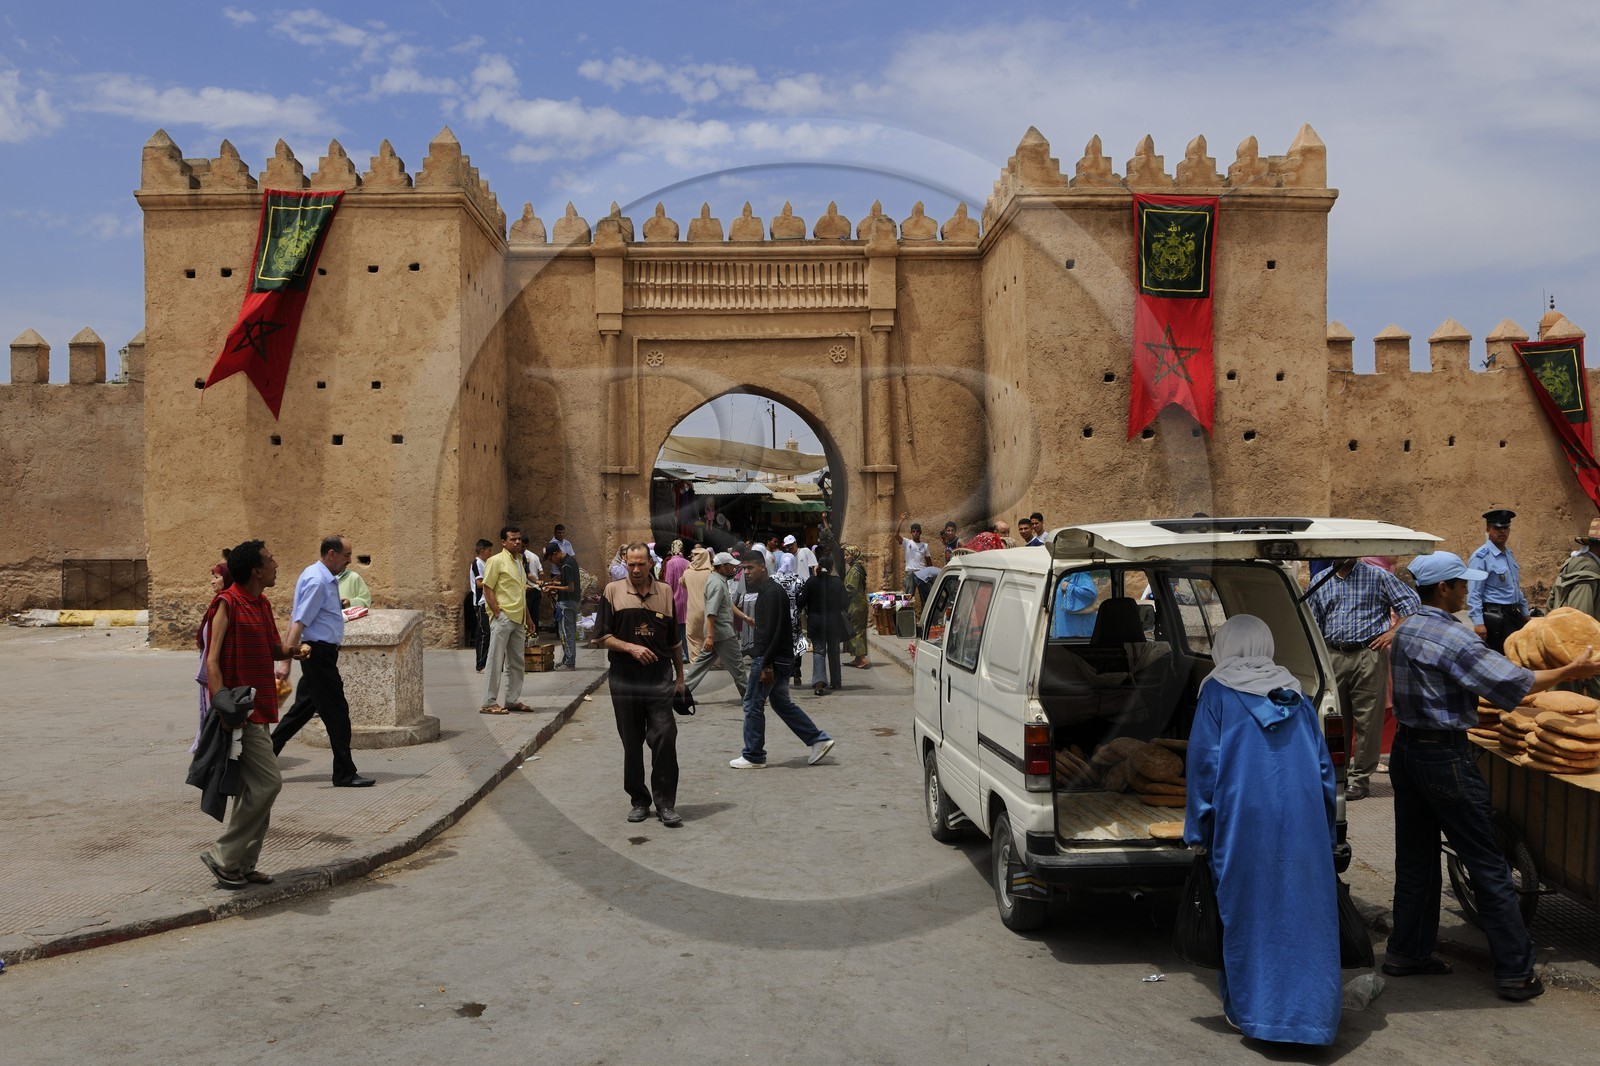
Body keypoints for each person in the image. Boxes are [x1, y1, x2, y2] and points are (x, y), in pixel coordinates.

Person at [1386, 551, 1600, 1002]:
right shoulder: (1453, 636)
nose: (1468, 590)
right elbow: (1513, 684)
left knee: (1415, 859)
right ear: (1443, 589)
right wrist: (1572, 671)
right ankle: (1515, 973)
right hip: (1444, 757)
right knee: (1487, 864)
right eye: (1462, 583)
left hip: (1406, 752)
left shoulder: (1407, 628)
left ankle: (1406, 953)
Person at [1184, 614, 1340, 1044]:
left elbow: (1203, 764)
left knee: (1245, 912)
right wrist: (1326, 830)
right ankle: (1314, 1020)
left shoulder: (1216, 692)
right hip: (1304, 821)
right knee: (1306, 913)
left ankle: (1252, 1013)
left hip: (1241, 822)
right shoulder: (1296, 694)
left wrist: (1197, 828)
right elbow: (1324, 771)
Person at [198, 539, 307, 888]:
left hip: (261, 708)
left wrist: (293, 651)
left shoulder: (261, 603)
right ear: (257, 570)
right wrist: (223, 705)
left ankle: (242, 864)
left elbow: (272, 647)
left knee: (254, 791)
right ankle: (223, 856)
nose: (276, 565)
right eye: (271, 560)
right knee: (269, 783)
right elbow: (212, 660)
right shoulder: (227, 603)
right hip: (239, 712)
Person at [1306, 556, 1421, 801]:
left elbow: (1411, 604)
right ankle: (1337, 774)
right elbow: (1314, 622)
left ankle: (1359, 779)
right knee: (1334, 718)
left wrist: (1392, 633)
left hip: (1368, 653)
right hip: (1333, 654)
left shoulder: (1376, 575)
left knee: (1368, 720)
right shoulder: (1320, 580)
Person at [272, 535, 375, 787]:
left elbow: (297, 616)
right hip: (319, 655)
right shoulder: (318, 581)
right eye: (346, 555)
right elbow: (299, 621)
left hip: (318, 654)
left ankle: (260, 759)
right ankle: (344, 773)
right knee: (338, 714)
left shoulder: (316, 575)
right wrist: (285, 661)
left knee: (301, 711)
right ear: (331, 554)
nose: (349, 561)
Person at [598, 542, 686, 827]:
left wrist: (680, 678)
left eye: (640, 564)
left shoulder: (665, 592)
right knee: (632, 741)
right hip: (624, 677)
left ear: (651, 564)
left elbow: (674, 642)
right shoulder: (612, 591)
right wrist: (630, 648)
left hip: (658, 677)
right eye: (631, 564)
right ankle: (639, 800)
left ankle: (665, 803)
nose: (635, 569)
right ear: (625, 564)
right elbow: (602, 636)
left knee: (665, 735)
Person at [731, 552, 835, 769]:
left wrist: (766, 664)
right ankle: (818, 739)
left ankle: (753, 755)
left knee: (752, 703)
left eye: (750, 568)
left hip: (771, 658)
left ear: (762, 567)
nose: (746, 573)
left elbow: (774, 631)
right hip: (780, 658)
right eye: (744, 569)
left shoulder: (771, 593)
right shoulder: (768, 591)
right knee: (781, 703)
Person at [479, 526, 531, 714]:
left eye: (518, 539)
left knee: (517, 662)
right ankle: (488, 702)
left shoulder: (519, 561)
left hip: (518, 618)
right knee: (495, 660)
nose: (517, 542)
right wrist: (497, 613)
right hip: (503, 617)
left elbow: (520, 592)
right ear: (503, 542)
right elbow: (487, 588)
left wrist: (528, 618)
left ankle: (511, 699)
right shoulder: (495, 561)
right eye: (512, 539)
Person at [685, 551, 751, 698]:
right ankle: (749, 695)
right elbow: (711, 611)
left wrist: (745, 617)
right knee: (737, 666)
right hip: (722, 633)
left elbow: (727, 604)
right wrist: (710, 636)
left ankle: (680, 692)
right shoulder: (717, 584)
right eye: (731, 566)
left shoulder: (717, 580)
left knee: (700, 665)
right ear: (722, 566)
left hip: (717, 633)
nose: (734, 569)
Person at [1547, 519, 1600, 697]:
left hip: (1561, 646)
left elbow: (1550, 603)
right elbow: (1580, 619)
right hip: (1579, 653)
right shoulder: (1589, 572)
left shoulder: (1574, 564)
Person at [1469, 509, 1529, 654]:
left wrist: (1525, 612)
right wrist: (1478, 623)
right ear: (1488, 529)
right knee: (1504, 657)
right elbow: (1474, 592)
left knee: (1520, 655)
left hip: (1513, 615)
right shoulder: (1481, 557)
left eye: (1505, 527)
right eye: (1497, 528)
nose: (1502, 531)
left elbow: (1514, 587)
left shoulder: (1508, 554)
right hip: (1496, 618)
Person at [798, 557, 848, 695]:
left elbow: (801, 601)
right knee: (834, 651)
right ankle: (836, 681)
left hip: (816, 623)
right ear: (831, 568)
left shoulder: (811, 582)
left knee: (819, 652)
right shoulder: (837, 582)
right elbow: (845, 603)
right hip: (833, 622)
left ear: (818, 566)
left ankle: (819, 683)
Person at [547, 539, 582, 669]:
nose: (552, 562)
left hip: (567, 602)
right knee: (564, 633)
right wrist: (553, 583)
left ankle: (569, 662)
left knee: (567, 634)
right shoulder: (569, 561)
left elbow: (570, 587)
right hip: (571, 602)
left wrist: (552, 588)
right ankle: (566, 658)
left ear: (555, 553)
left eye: (550, 559)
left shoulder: (566, 565)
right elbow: (566, 582)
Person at [681, 545, 713, 663]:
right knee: (708, 636)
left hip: (692, 612)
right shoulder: (711, 573)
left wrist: (689, 568)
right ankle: (709, 660)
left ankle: (695, 661)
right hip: (708, 611)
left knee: (692, 637)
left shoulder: (687, 573)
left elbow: (681, 583)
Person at [843, 545, 871, 669]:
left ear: (853, 555)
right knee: (856, 630)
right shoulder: (855, 568)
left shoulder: (855, 570)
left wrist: (840, 593)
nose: (845, 557)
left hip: (857, 605)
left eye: (847, 555)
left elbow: (851, 588)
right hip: (856, 604)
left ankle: (862, 659)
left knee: (856, 631)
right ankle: (857, 658)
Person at [894, 512, 933, 603]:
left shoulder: (925, 545)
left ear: (920, 533)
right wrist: (901, 521)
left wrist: (930, 575)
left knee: (925, 597)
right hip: (910, 572)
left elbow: (929, 562)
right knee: (908, 597)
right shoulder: (907, 542)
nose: (916, 533)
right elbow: (896, 535)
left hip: (922, 572)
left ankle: (925, 612)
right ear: (911, 533)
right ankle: (907, 612)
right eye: (914, 531)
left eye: (917, 531)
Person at [1050, 570, 1099, 638]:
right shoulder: (1064, 575)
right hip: (1063, 633)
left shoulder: (1081, 574)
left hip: (1078, 635)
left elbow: (1090, 593)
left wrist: (1068, 587)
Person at [468, 539, 493, 672]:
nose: (490, 553)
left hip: (486, 602)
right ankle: (481, 665)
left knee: (486, 634)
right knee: (484, 634)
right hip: (481, 602)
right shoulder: (477, 563)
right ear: (482, 551)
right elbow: (479, 583)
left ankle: (486, 662)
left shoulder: (485, 563)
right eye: (489, 550)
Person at [662, 539, 690, 657]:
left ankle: (682, 654)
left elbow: (669, 584)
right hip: (688, 599)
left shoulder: (670, 563)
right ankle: (688, 652)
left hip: (675, 599)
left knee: (676, 629)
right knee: (686, 628)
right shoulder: (688, 562)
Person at [522, 535, 545, 634]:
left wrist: (537, 582)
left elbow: (528, 574)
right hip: (530, 589)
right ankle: (533, 635)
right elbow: (541, 573)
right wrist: (539, 584)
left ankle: (531, 636)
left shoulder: (523, 557)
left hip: (530, 589)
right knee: (533, 615)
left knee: (529, 616)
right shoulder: (533, 556)